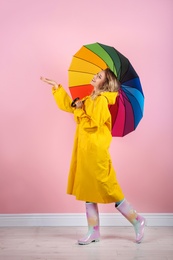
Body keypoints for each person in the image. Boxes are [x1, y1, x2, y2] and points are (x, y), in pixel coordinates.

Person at [40, 68, 146, 245]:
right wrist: (57, 88)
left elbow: (93, 124)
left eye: (99, 76)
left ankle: (137, 220)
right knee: (89, 188)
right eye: (95, 74)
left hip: (96, 151)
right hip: (85, 150)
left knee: (109, 187)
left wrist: (80, 111)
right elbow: (70, 107)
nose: (94, 76)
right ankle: (93, 231)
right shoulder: (90, 99)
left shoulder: (102, 101)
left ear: (105, 84)